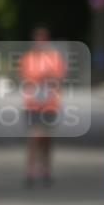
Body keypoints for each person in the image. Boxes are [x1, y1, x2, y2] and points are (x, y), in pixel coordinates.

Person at [18, 26, 66, 186]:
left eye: (42, 38)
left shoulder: (54, 57)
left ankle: (46, 168)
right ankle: (30, 171)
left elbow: (59, 78)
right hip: (32, 103)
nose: (39, 41)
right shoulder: (27, 57)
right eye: (36, 38)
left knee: (46, 139)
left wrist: (49, 77)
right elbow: (24, 78)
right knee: (34, 136)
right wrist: (39, 78)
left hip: (49, 103)